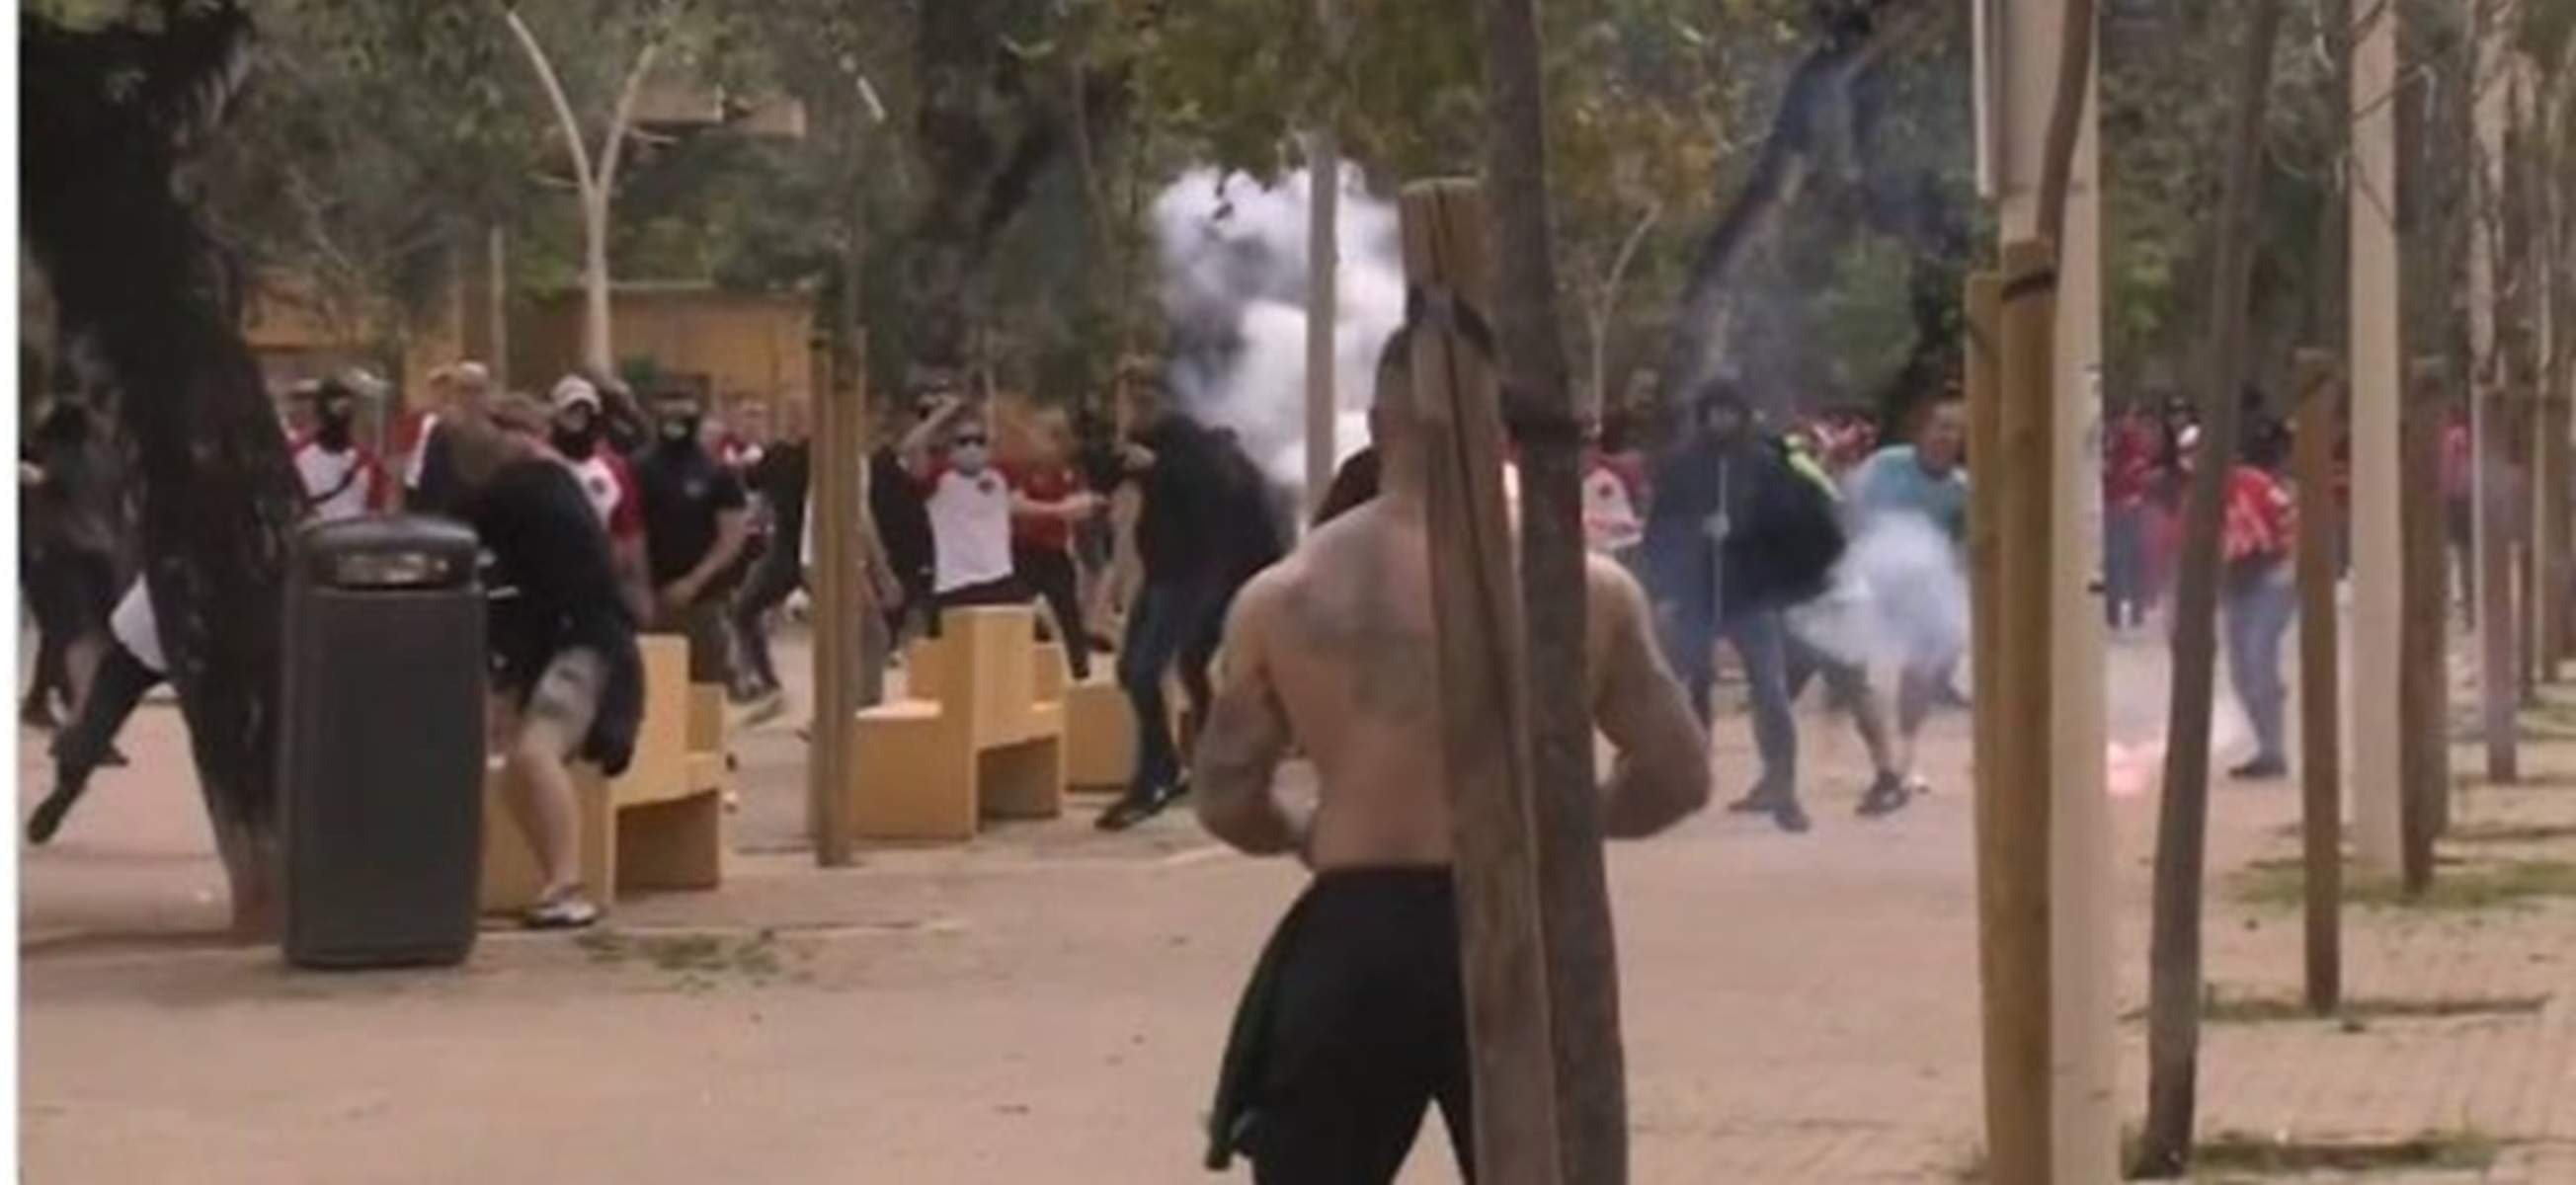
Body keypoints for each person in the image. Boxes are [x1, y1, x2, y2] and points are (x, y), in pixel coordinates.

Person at [1193, 328, 1711, 1182]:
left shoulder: (1284, 596)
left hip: (1360, 929)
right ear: (1496, 428)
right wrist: (1566, 822)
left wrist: (1300, 829)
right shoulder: (1582, 587)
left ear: (1374, 421)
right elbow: (1677, 773)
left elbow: (1225, 798)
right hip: (1524, 923)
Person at [448, 393, 646, 928]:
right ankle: (555, 880)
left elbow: (453, 530)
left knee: (535, 756)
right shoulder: (546, 484)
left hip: (586, 644)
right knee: (517, 773)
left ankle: (568, 887)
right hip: (578, 641)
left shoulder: (526, 487)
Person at [1641, 380, 1845, 832]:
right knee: (1683, 691)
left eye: (1729, 412)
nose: (1722, 421)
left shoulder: (1766, 465)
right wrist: (1664, 589)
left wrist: (1744, 535)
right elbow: (1660, 530)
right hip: (1695, 594)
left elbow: (1789, 525)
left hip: (1751, 596)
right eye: (1714, 412)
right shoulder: (1682, 467)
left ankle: (1782, 787)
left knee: (1771, 693)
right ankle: (1684, 783)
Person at [1094, 367, 1275, 831]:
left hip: (1191, 574)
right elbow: (1104, 479)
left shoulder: (1190, 444)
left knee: (1150, 669)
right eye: (1131, 398)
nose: (1137, 407)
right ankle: (1175, 762)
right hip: (1160, 574)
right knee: (1132, 670)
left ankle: (1158, 773)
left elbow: (1208, 488)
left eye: (1144, 397)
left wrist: (1155, 468)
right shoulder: (1140, 440)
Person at [1844, 392, 1972, 793]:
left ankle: (1905, 758)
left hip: (1919, 589)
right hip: (1867, 577)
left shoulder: (1960, 489)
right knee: (1857, 674)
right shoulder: (1885, 465)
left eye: (1956, 430)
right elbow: (1848, 506)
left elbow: (1963, 543)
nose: (1947, 437)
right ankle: (1875, 757)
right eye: (1941, 426)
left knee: (1920, 672)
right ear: (1922, 431)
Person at [2191, 422, 2298, 780]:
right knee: (2241, 673)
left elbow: (2289, 523)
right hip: (2237, 588)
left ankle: (2274, 750)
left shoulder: (2254, 484)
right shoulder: (2198, 498)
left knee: (2258, 660)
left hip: (2272, 579)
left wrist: (2282, 558)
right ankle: (2268, 747)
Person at [632, 387, 753, 685]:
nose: (675, 423)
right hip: (649, 602)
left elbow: (732, 537)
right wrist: (640, 587)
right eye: (668, 415)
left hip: (704, 603)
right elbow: (627, 533)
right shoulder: (635, 469)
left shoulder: (716, 473)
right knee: (654, 694)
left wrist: (693, 581)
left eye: (682, 415)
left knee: (705, 691)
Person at [20, 399, 124, 731]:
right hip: (83, 551)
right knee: (76, 635)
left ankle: (49, 703)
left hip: (66, 551)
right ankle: (79, 714)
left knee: (67, 633)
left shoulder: (67, 457)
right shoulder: (95, 455)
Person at [547, 376, 655, 624]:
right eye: (570, 412)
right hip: (552, 578)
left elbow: (631, 532)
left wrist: (641, 587)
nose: (578, 419)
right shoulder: (541, 462)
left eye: (585, 412)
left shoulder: (612, 468)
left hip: (602, 581)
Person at [1005, 407, 1102, 680]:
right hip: (1023, 550)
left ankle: (1080, 675)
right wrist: (1057, 510)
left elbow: (1083, 505)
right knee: (1014, 612)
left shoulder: (1069, 472)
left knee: (1069, 616)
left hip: (1055, 553)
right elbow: (1015, 505)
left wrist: (1056, 509)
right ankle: (1014, 672)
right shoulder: (1022, 469)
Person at [729, 400, 810, 714]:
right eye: (791, 416)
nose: (795, 423)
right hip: (786, 547)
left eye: (800, 416)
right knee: (744, 610)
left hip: (818, 547)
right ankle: (766, 681)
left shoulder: (820, 455)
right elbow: (747, 479)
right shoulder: (776, 455)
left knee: (838, 622)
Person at [870, 390, 941, 646]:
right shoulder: (878, 459)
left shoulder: (932, 459)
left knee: (931, 615)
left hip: (918, 549)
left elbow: (917, 462)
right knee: (886, 622)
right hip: (889, 545)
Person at [290, 376, 393, 522]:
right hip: (314, 542)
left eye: (345, 409)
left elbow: (377, 512)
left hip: (354, 542)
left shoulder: (367, 462)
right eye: (335, 408)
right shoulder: (296, 456)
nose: (339, 416)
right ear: (321, 411)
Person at [402, 360, 491, 517]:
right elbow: (428, 484)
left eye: (478, 391)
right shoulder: (441, 432)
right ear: (454, 394)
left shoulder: (499, 431)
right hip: (450, 519)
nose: (472, 398)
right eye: (465, 391)